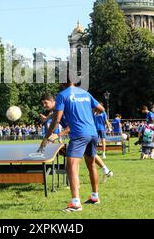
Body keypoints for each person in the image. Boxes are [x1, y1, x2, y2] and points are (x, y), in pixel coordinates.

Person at [38, 79, 106, 212]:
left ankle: (75, 203)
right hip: (92, 133)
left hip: (79, 134)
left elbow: (57, 119)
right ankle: (95, 196)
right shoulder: (85, 93)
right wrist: (87, 113)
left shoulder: (62, 95)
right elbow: (101, 109)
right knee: (91, 165)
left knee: (71, 166)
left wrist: (46, 137)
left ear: (63, 82)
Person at [39, 94, 113, 182]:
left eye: (45, 103)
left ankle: (74, 184)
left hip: (79, 134)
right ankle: (106, 171)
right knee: (90, 154)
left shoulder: (63, 108)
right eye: (43, 104)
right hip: (88, 132)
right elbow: (53, 117)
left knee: (73, 160)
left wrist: (58, 135)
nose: (44, 106)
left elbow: (71, 125)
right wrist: (46, 120)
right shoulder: (56, 110)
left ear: (52, 101)